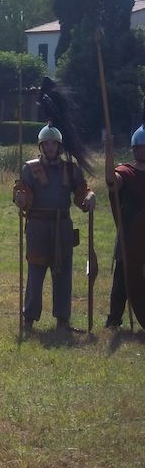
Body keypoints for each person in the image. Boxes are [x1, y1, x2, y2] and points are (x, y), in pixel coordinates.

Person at [13, 77, 95, 333]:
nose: (50, 147)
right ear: (41, 146)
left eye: (54, 144)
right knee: (35, 274)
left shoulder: (71, 170)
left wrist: (88, 198)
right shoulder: (30, 169)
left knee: (63, 275)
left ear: (59, 146)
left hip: (62, 227)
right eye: (46, 144)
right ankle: (29, 319)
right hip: (38, 226)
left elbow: (82, 194)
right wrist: (20, 198)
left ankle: (63, 319)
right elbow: (22, 192)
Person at [104, 116, 145, 329]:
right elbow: (112, 181)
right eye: (141, 147)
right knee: (122, 278)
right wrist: (108, 152)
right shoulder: (126, 171)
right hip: (129, 234)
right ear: (135, 149)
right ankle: (114, 319)